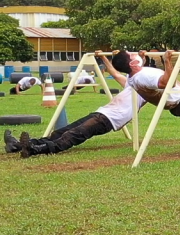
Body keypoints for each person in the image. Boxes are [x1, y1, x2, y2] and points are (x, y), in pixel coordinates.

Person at [7, 54, 146, 158]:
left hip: (111, 119)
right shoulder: (132, 82)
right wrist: (104, 57)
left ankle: (35, 149)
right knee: (61, 132)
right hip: (102, 113)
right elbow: (115, 73)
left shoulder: (147, 90)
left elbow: (153, 80)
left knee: (73, 135)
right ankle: (16, 146)